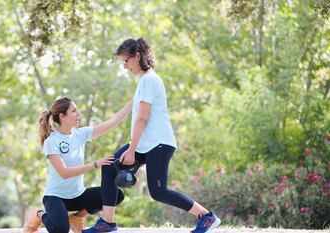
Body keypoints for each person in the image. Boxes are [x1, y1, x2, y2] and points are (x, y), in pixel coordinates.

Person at [83, 38, 221, 233]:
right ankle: (107, 223)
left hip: (159, 144)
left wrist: (131, 151)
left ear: (137, 56)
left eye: (125, 61)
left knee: (158, 192)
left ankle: (206, 217)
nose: (124, 66)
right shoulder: (144, 81)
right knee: (109, 167)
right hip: (145, 144)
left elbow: (142, 119)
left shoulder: (149, 80)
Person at [23, 97, 132, 233]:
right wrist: (95, 164)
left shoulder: (80, 134)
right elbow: (64, 173)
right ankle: (38, 214)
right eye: (74, 111)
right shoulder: (51, 142)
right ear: (62, 116)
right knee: (61, 230)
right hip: (56, 197)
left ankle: (76, 218)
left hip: (78, 195)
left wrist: (133, 102)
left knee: (117, 195)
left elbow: (112, 121)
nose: (78, 114)